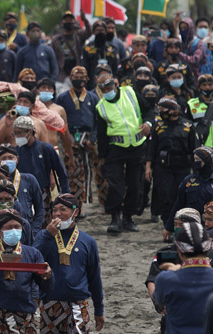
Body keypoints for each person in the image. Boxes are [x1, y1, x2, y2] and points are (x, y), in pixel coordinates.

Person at [34, 194, 123, 334]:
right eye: (54, 210)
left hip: (77, 305)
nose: (57, 214)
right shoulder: (45, 236)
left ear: (75, 212)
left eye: (63, 210)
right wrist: (47, 235)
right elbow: (33, 259)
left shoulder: (87, 241)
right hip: (50, 304)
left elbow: (95, 278)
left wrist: (99, 309)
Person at [95, 73, 154, 233]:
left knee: (135, 184)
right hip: (116, 149)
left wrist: (148, 124)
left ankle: (128, 217)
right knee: (116, 185)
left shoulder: (130, 92)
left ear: (115, 84)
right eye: (103, 89)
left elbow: (149, 111)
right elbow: (101, 134)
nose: (107, 91)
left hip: (137, 146)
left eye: (109, 87)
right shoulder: (101, 107)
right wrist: (102, 157)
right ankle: (115, 218)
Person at [146, 98, 198, 226]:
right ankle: (167, 224)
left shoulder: (188, 125)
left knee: (181, 195)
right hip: (163, 167)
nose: (161, 112)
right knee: (166, 196)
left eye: (163, 109)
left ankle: (180, 224)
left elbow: (195, 149)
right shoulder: (158, 126)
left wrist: (197, 170)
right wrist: (148, 167)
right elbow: (151, 148)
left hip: (183, 167)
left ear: (172, 110)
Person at [56, 66, 99, 209]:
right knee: (72, 171)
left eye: (82, 77)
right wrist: (66, 139)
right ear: (70, 78)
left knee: (90, 171)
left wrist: (92, 140)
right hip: (70, 136)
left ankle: (86, 202)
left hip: (89, 138)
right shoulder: (62, 98)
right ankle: (74, 205)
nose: (79, 79)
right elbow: (59, 120)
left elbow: (97, 121)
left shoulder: (93, 97)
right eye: (76, 77)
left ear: (87, 79)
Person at [163, 147, 213, 241]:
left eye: (198, 160)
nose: (196, 162)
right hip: (191, 228)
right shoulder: (188, 181)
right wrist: (168, 228)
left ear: (207, 160)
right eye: (195, 159)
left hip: (212, 229)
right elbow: (178, 204)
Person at [11, 115, 69, 213]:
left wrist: (65, 195)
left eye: (20, 133)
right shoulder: (16, 151)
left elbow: (61, 173)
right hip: (23, 194)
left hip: (43, 194)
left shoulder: (46, 149)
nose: (17, 136)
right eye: (15, 133)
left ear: (30, 132)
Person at [186, 74, 213, 151]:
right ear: (199, 87)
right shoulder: (191, 104)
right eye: (204, 85)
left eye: (210, 84)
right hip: (201, 149)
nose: (207, 87)